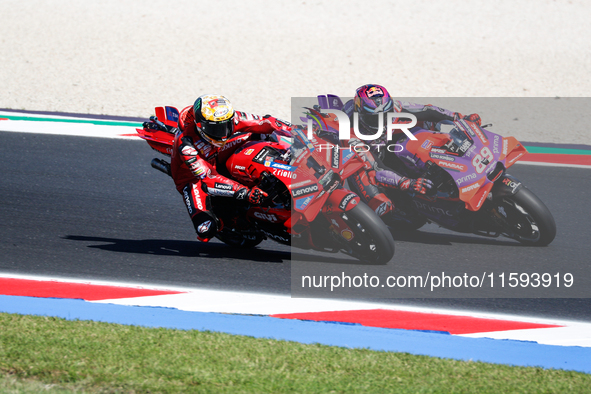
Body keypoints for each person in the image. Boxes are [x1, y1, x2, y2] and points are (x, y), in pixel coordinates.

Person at [319, 84, 481, 219]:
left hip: (389, 142)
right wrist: (407, 183)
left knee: (426, 126)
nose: (381, 122)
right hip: (367, 159)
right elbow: (375, 168)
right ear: (360, 114)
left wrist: (460, 118)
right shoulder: (350, 131)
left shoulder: (396, 107)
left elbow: (429, 110)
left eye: (386, 115)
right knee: (378, 200)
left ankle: (444, 166)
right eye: (373, 118)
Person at [149, 94, 291, 242]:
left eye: (226, 125)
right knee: (205, 228)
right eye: (216, 129)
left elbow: (267, 122)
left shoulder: (229, 118)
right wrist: (246, 193)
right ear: (201, 126)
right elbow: (208, 177)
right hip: (194, 178)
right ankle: (228, 224)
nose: (223, 133)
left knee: (261, 134)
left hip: (215, 154)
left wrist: (300, 130)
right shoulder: (187, 146)